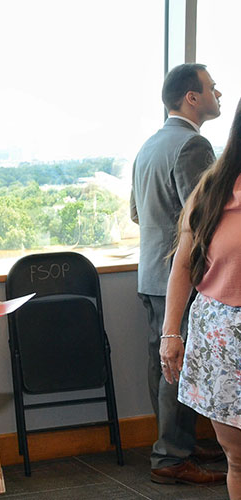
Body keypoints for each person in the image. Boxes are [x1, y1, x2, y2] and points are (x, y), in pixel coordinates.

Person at [130, 62, 227, 485]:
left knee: (166, 362)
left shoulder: (149, 144)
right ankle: (171, 456)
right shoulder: (193, 147)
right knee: (180, 365)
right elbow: (203, 221)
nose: (219, 94)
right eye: (212, 88)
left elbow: (137, 213)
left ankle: (178, 443)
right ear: (192, 97)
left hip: (150, 272)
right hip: (181, 276)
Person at [161, 97, 241, 498]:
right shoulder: (212, 190)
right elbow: (182, 267)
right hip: (222, 342)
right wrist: (170, 333)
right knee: (239, 460)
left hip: (221, 338)